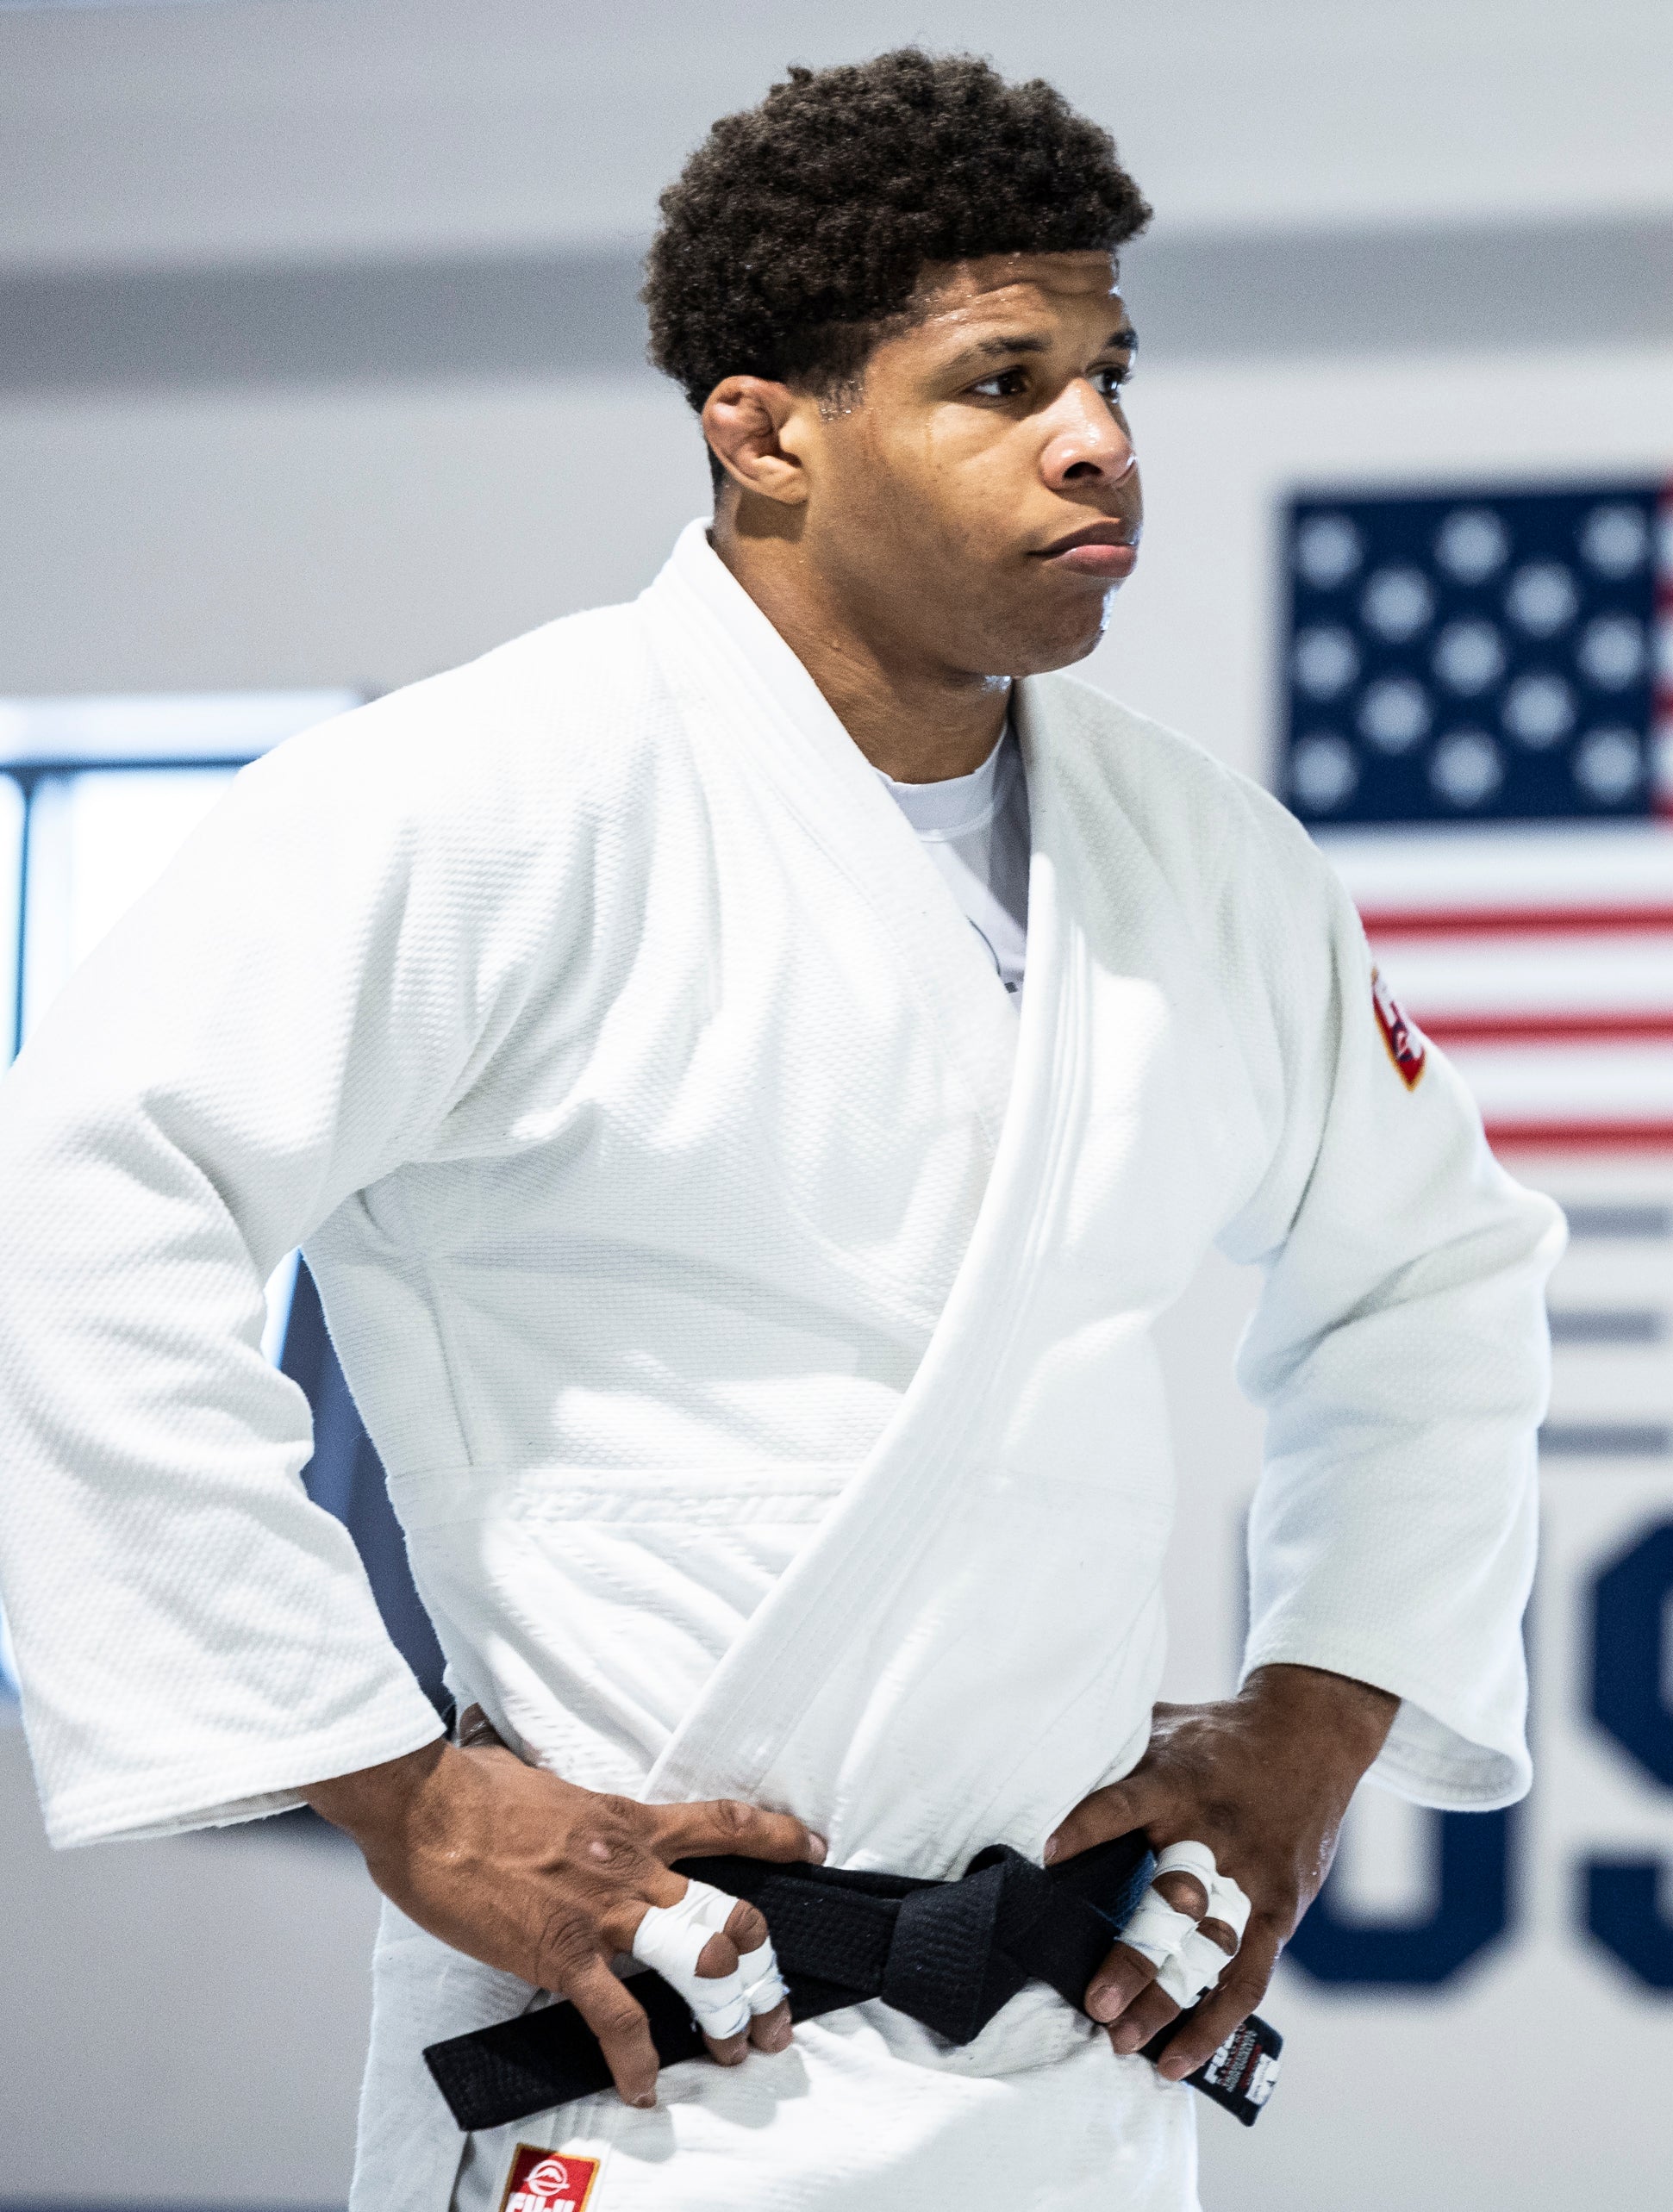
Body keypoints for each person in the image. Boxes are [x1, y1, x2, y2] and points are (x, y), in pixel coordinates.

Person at [0, 49, 1557, 2212]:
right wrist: (389, 1788)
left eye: (1110, 371)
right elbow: (68, 1216)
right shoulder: (492, 802)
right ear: (765, 431)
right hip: (652, 2044)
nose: (1098, 438)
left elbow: (1440, 1281)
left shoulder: (1212, 866)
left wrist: (1316, 1719)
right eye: (1001, 381)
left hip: (1070, 2057)